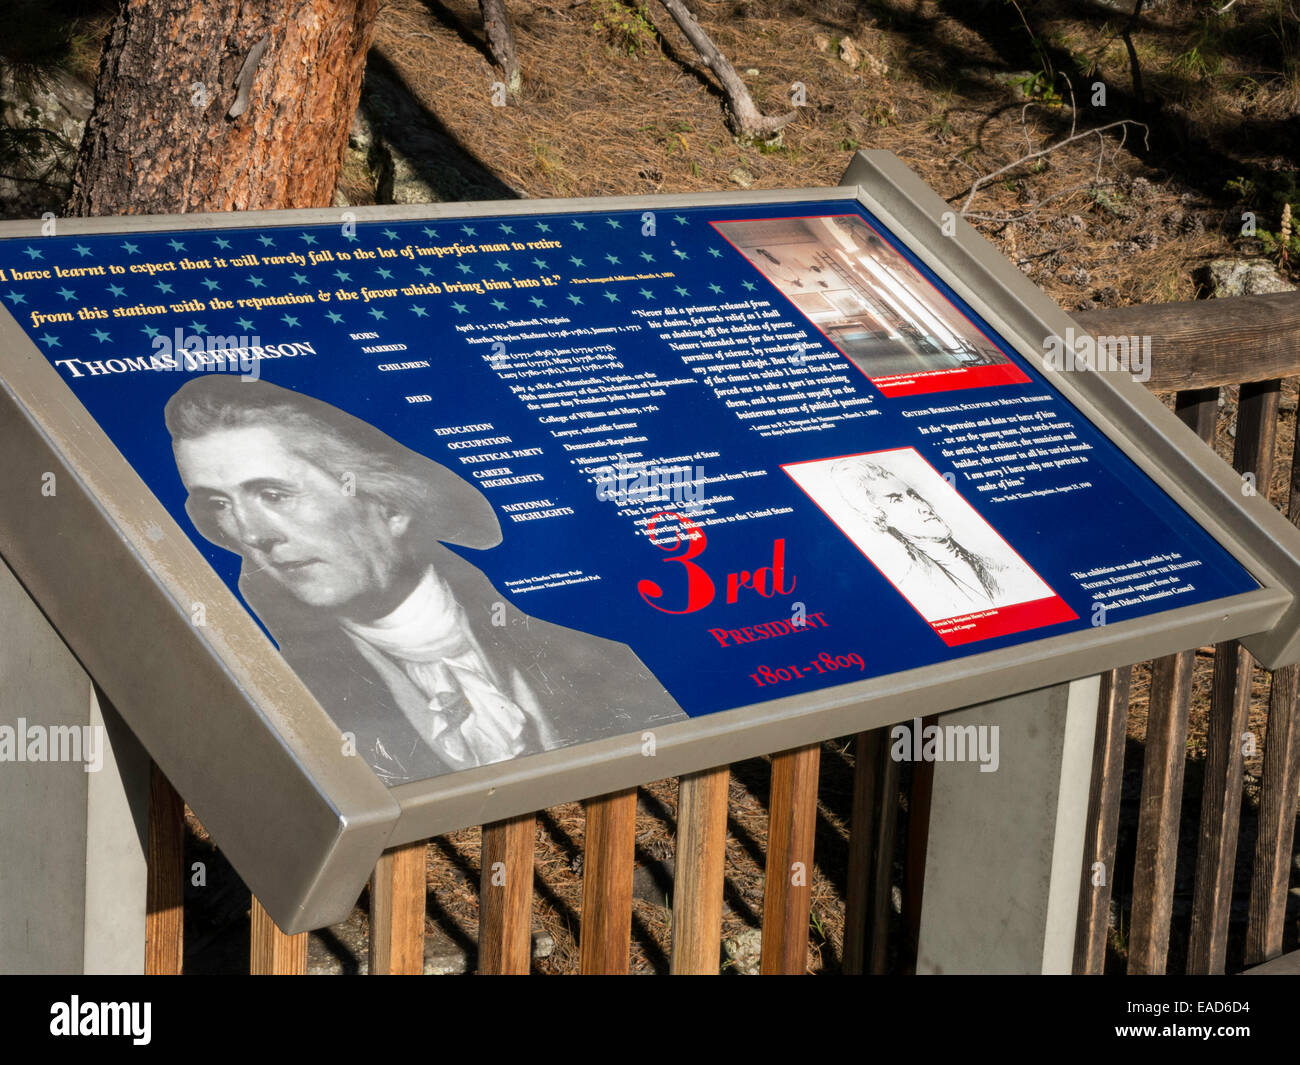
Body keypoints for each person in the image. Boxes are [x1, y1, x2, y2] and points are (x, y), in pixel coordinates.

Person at [164, 376, 685, 786]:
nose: (251, 534)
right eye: (219, 504)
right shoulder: (282, 703)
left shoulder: (593, 646)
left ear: (388, 505)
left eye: (274, 495)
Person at [830, 457, 1010, 619]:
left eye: (913, 495)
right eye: (897, 500)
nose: (922, 507)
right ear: (878, 515)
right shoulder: (915, 586)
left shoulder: (997, 564)